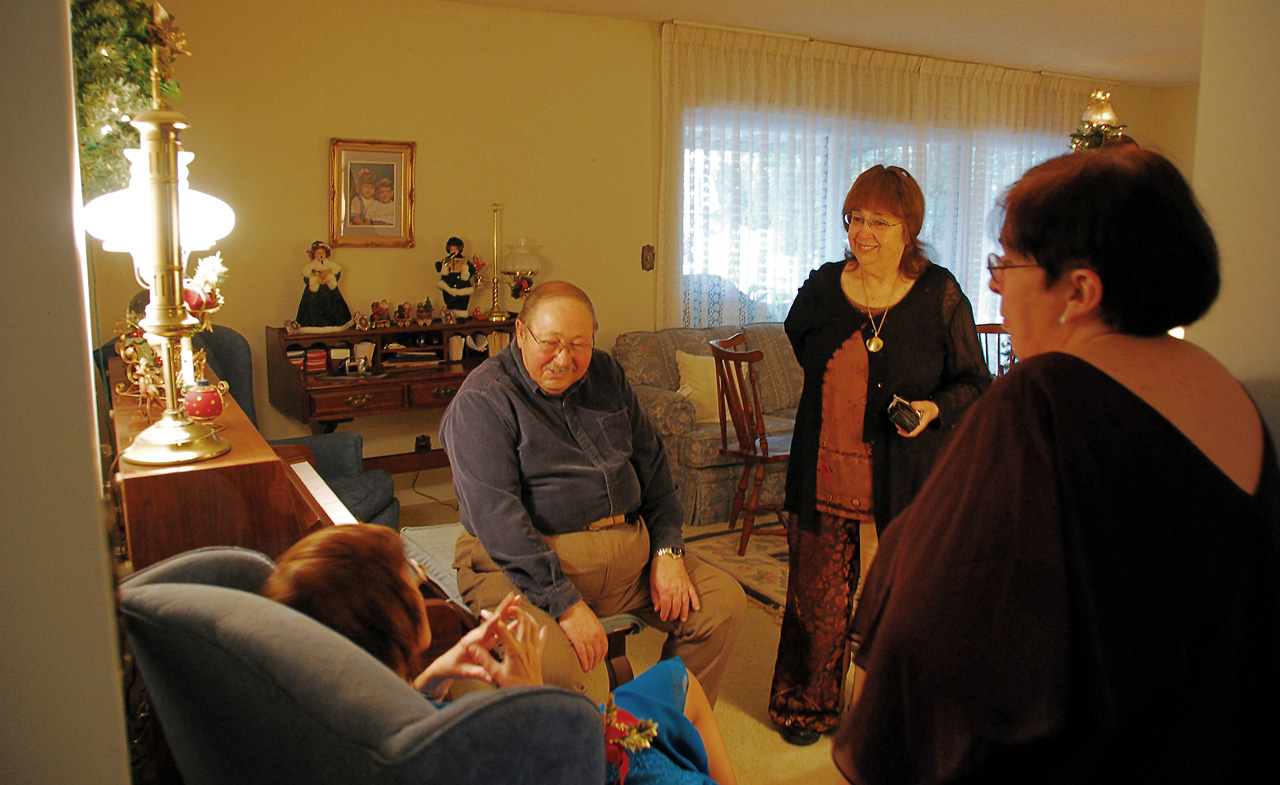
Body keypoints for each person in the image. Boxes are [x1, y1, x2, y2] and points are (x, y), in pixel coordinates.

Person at [831, 148, 1280, 783]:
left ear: (1079, 291)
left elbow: (934, 629)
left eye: (1008, 262)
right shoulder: (1233, 393)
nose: (993, 284)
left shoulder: (1041, 401)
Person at [441, 281, 747, 704]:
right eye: (549, 343)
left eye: (579, 344)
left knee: (722, 605)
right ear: (520, 333)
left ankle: (655, 736)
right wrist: (565, 604)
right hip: (523, 568)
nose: (564, 359)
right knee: (552, 670)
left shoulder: (605, 373)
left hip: (628, 559)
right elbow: (498, 520)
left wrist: (668, 552)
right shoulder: (483, 399)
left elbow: (654, 467)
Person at [770, 165, 991, 745]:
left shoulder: (939, 294)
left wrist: (931, 409)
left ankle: (896, 711)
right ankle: (806, 707)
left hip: (908, 475)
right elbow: (800, 339)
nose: (863, 232)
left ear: (909, 228)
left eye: (880, 221)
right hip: (823, 468)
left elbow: (974, 381)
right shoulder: (822, 287)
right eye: (855, 219)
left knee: (903, 601)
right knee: (815, 598)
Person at [262, 524, 738, 785]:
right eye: (405, 575)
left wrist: (431, 680)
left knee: (678, 678)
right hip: (575, 757)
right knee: (680, 692)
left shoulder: (340, 704)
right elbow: (557, 765)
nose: (417, 576)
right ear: (386, 619)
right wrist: (530, 702)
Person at [295, 240, 352, 329]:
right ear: (314, 254)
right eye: (318, 253)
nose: (321, 255)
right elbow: (306, 278)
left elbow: (337, 274)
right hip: (314, 295)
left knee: (334, 307)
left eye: (323, 253)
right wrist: (316, 279)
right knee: (312, 309)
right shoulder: (310, 267)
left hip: (330, 293)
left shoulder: (332, 266)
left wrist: (328, 278)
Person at [435, 236, 477, 319]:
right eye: (451, 249)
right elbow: (439, 267)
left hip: (462, 287)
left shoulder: (464, 261)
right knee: (450, 301)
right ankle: (450, 316)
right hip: (449, 287)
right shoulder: (447, 260)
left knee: (462, 302)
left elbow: (472, 269)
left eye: (455, 249)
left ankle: (461, 316)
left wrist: (465, 269)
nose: (453, 251)